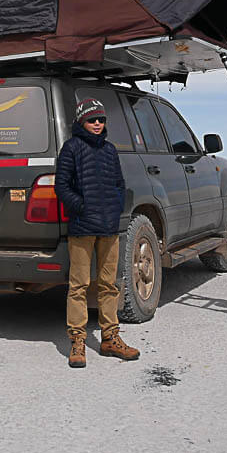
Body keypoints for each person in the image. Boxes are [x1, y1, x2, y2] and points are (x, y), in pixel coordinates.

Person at [55, 98, 140, 368]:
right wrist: (81, 207)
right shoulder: (71, 148)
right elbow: (61, 186)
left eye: (101, 119)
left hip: (108, 228)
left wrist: (114, 211)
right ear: (82, 120)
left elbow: (118, 184)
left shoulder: (109, 150)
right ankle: (77, 341)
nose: (97, 124)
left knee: (109, 284)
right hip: (82, 228)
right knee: (78, 285)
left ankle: (110, 338)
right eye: (92, 119)